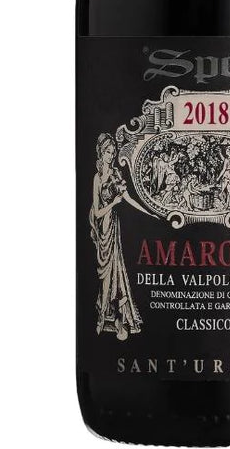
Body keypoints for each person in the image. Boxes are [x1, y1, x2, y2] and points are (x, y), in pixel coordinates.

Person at [89, 133, 142, 340]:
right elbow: (97, 212)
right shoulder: (97, 178)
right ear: (101, 153)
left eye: (113, 152)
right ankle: (103, 318)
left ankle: (113, 319)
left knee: (115, 271)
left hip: (114, 228)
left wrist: (148, 212)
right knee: (104, 275)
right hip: (103, 229)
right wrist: (113, 203)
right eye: (108, 152)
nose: (111, 156)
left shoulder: (116, 174)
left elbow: (128, 198)